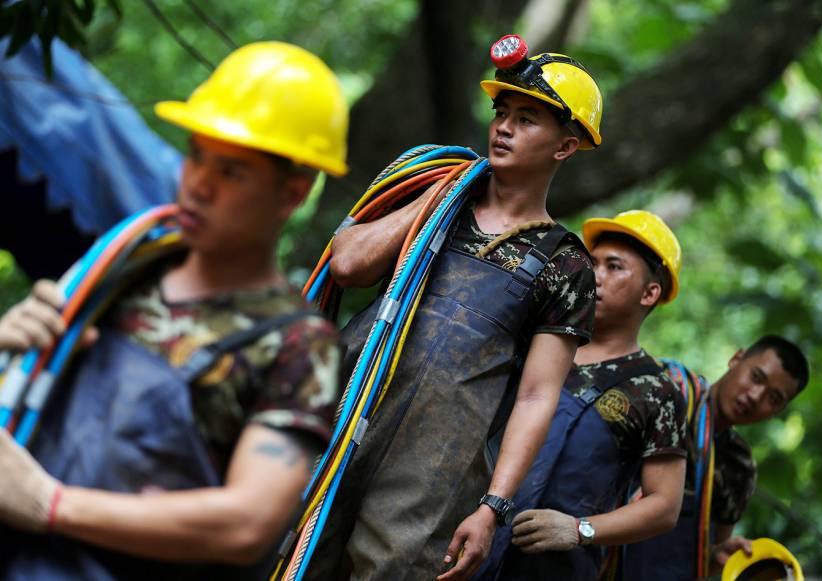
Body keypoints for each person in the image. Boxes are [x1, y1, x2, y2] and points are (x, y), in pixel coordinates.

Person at [0, 41, 349, 580]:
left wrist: (51, 504)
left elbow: (247, 524)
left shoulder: (298, 345)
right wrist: (9, 349)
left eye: (232, 172)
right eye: (195, 155)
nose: (198, 185)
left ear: (292, 194)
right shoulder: (120, 270)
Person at [307, 35, 602, 581]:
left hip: (433, 474)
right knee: (285, 552)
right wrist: (441, 196)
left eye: (528, 118)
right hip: (340, 416)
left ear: (564, 146)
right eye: (502, 111)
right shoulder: (431, 195)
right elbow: (346, 266)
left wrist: (494, 506)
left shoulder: (567, 266)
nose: (504, 127)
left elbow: (538, 396)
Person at [474, 210, 688, 580]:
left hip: (553, 570)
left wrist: (580, 529)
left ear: (650, 292)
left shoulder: (657, 391)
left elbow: (664, 505)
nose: (595, 276)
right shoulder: (535, 340)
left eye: (615, 267)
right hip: (469, 534)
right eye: (594, 263)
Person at [621, 335, 810, 580]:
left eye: (773, 398)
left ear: (778, 412)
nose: (755, 396)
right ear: (736, 359)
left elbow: (705, 564)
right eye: (756, 377)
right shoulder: (665, 392)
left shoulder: (738, 466)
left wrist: (719, 557)